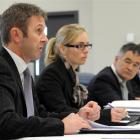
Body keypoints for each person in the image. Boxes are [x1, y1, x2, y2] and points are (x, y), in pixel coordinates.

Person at [0, 3, 94, 139]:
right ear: (16, 35)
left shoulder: (23, 72)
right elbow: (5, 122)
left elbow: (38, 113)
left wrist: (76, 116)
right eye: (39, 31)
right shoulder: (3, 67)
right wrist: (61, 126)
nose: (45, 39)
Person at [36, 24, 127, 124]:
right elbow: (61, 111)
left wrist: (93, 108)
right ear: (62, 48)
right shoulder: (51, 74)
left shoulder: (71, 74)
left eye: (87, 45)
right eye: (80, 46)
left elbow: (79, 109)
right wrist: (103, 115)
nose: (86, 50)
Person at [87, 43, 140, 108]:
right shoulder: (103, 79)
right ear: (116, 59)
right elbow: (118, 108)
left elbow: (132, 103)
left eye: (135, 65)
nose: (130, 68)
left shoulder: (126, 79)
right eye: (127, 62)